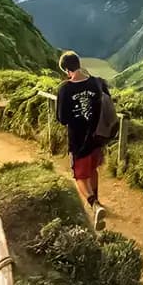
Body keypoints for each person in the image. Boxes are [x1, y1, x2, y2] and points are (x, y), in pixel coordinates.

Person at [56, 51, 109, 230]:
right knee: (93, 169)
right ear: (78, 64)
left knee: (79, 176)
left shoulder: (65, 89)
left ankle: (95, 205)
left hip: (78, 141)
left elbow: (62, 118)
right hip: (97, 137)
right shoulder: (95, 83)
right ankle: (98, 201)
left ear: (66, 70)